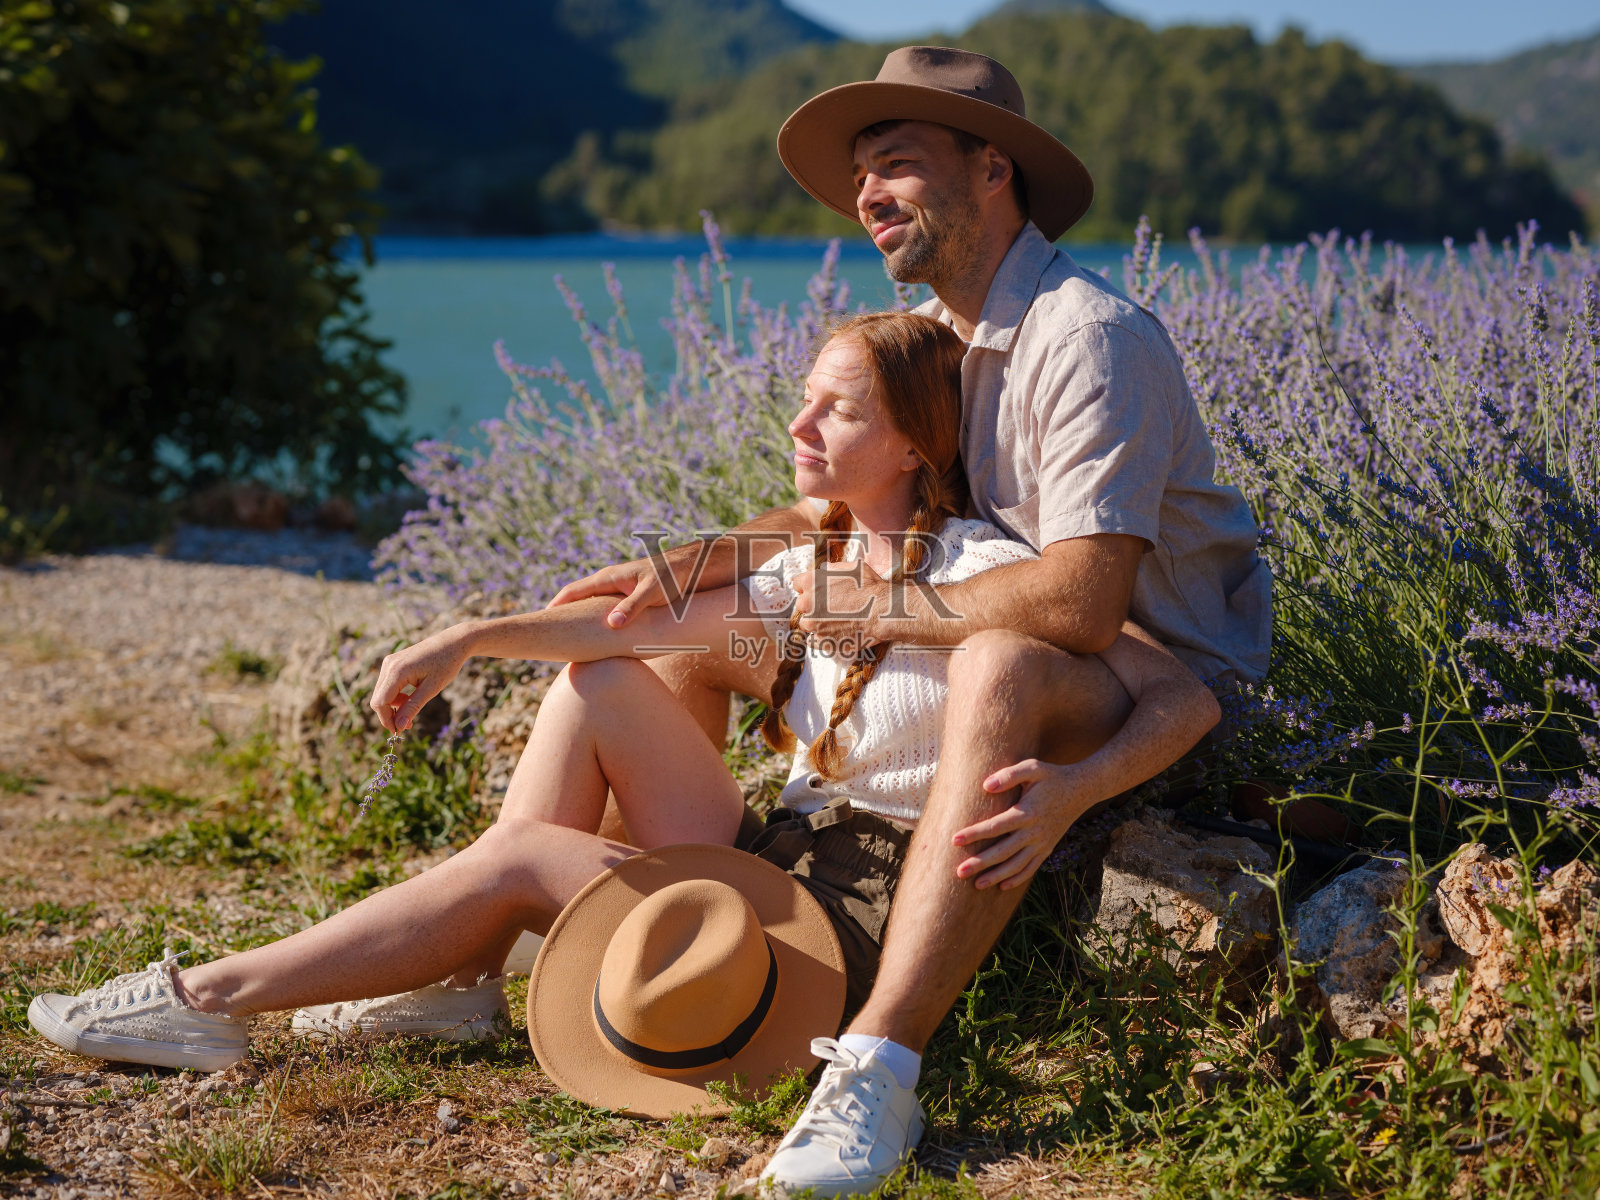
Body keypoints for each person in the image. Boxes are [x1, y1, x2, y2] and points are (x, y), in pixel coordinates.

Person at [26, 315, 1220, 1114]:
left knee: (526, 853)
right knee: (598, 682)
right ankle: (458, 981)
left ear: (913, 439)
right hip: (772, 865)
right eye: (800, 402)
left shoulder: (982, 569)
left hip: (862, 917)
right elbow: (621, 635)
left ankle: (210, 1001)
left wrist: (1073, 791)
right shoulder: (800, 579)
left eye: (836, 413)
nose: (800, 429)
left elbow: (1185, 694)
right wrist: (467, 637)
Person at [544, 47, 1272, 1198]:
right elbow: (837, 505)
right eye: (860, 178)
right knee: (688, 626)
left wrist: (872, 611)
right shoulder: (938, 328)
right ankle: (646, 940)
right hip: (982, 631)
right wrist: (690, 567)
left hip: (1148, 694)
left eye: (895, 167)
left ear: (991, 171)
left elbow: (1082, 604)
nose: (866, 198)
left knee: (994, 663)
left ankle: (878, 1067)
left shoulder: (1087, 338)